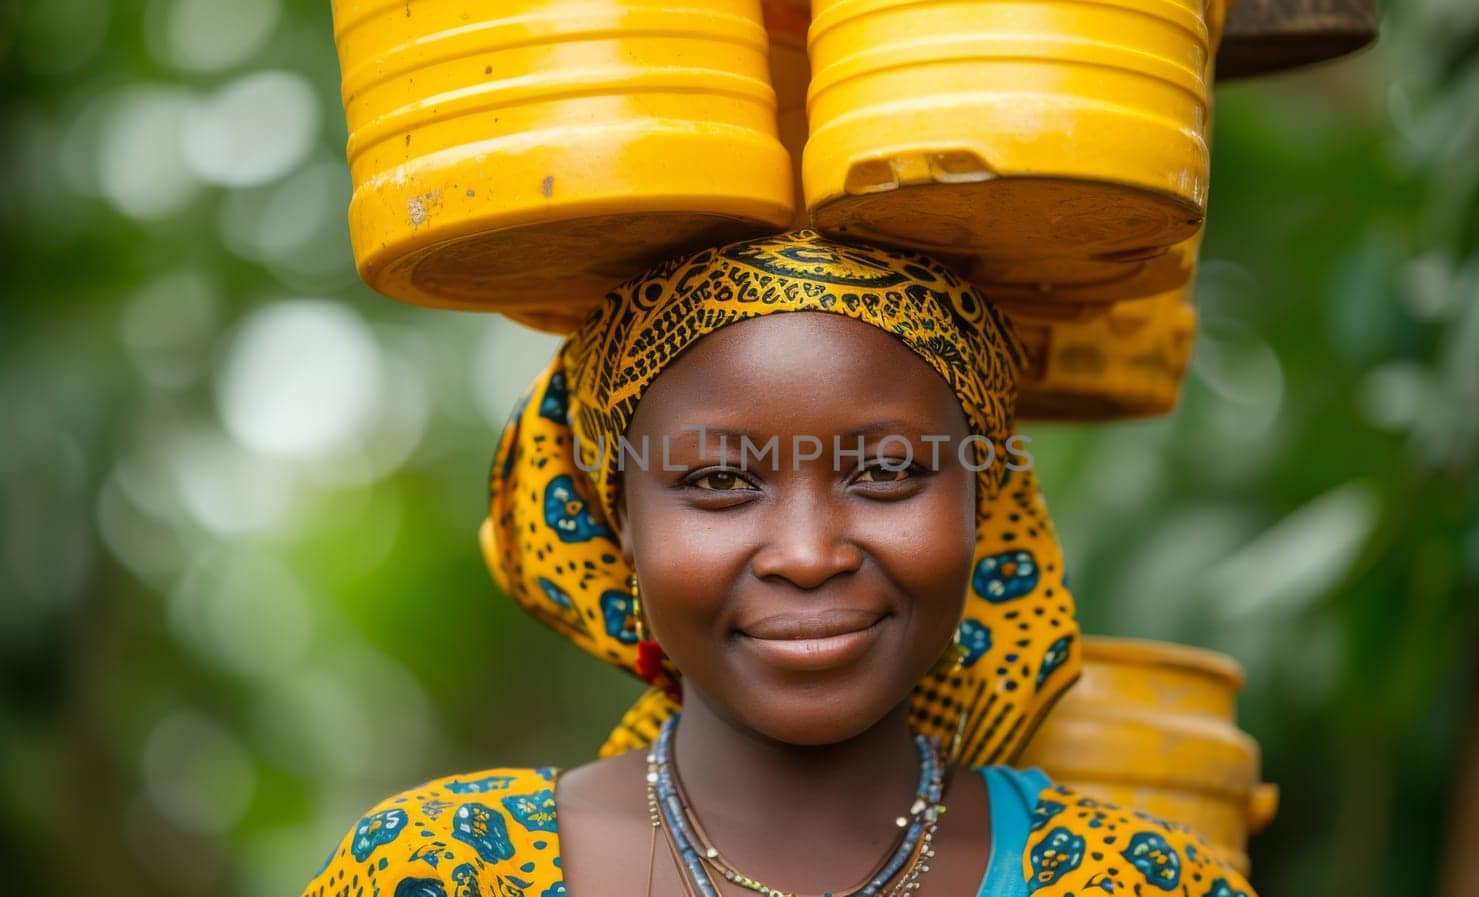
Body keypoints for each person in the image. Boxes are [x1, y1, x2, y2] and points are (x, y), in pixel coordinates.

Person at [299, 231, 1257, 897]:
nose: (807, 553)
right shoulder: (445, 869)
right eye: (719, 481)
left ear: (984, 502)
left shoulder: (1139, 880)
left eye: (887, 472)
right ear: (619, 516)